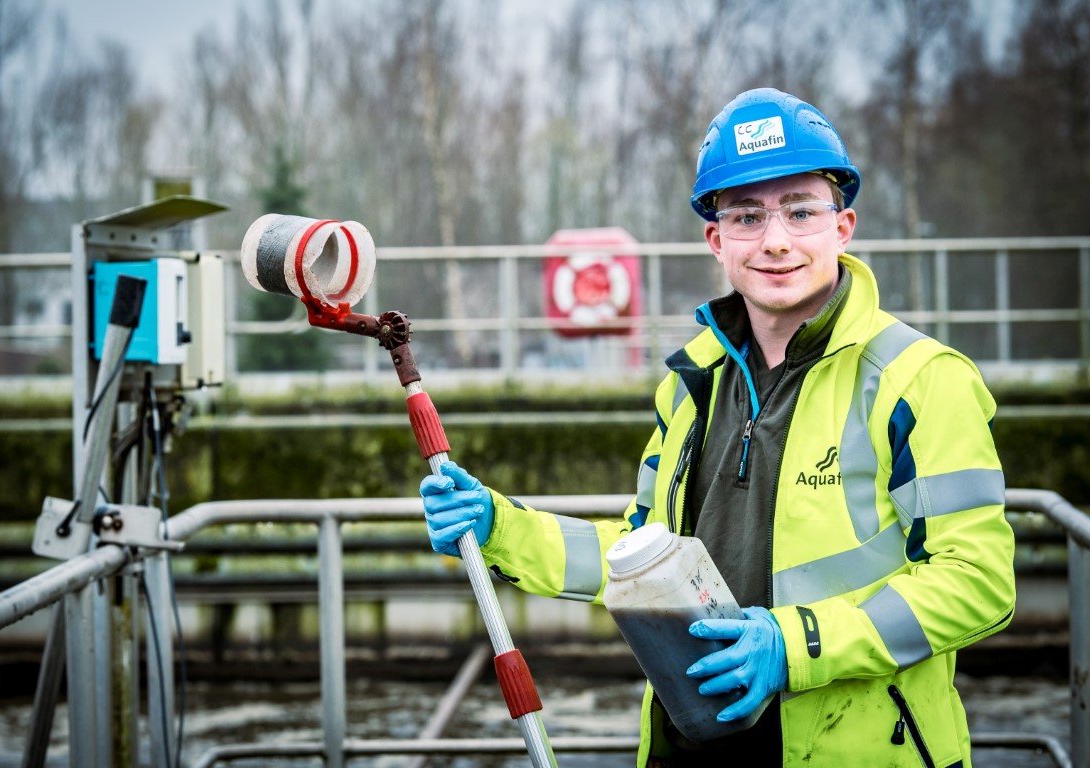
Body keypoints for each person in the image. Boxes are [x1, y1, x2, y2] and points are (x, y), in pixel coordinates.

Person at [419, 87, 1016, 767]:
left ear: (842, 227)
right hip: (693, 747)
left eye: (800, 211)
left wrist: (796, 646)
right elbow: (639, 557)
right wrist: (502, 528)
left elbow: (977, 582)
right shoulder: (690, 384)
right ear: (716, 240)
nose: (776, 240)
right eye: (747, 217)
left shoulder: (919, 378)